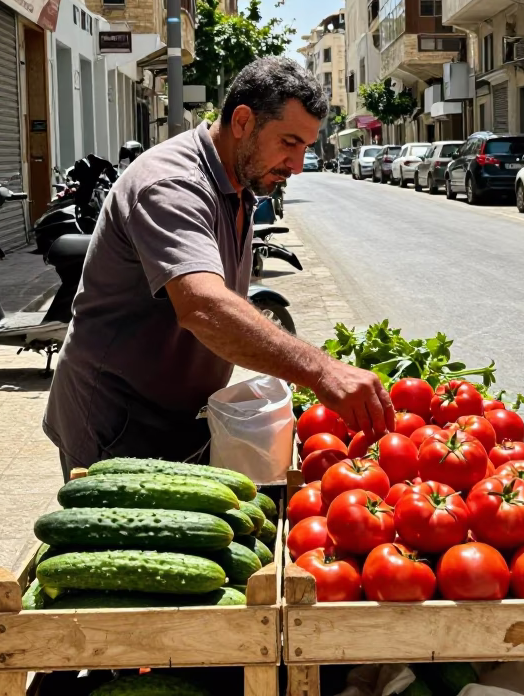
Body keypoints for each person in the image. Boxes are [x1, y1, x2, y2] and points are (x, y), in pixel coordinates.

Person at [43, 57, 392, 478]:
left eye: (305, 148)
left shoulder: (239, 180)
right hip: (117, 425)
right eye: (288, 142)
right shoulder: (172, 184)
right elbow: (203, 305)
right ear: (243, 121)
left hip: (177, 418)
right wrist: (320, 370)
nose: (297, 165)